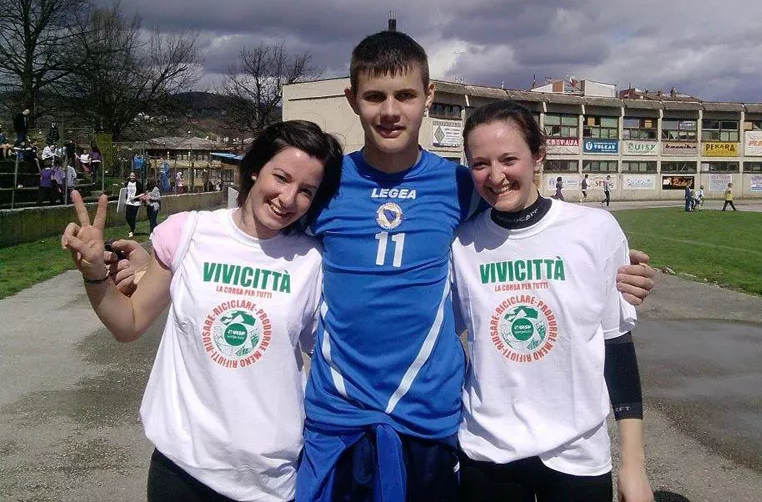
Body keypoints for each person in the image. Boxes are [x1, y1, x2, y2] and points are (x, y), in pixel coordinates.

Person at [104, 31, 656, 502]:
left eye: (405, 95)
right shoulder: (325, 185)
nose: (390, 111)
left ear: (428, 96)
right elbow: (255, 234)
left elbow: (520, 232)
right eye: (374, 96)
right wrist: (158, 260)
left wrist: (610, 269)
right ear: (352, 99)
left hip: (429, 415)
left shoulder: (460, 185)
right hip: (338, 415)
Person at [60, 120, 343, 502]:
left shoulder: (313, 261)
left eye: (306, 190)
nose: (288, 197)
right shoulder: (188, 233)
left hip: (270, 479)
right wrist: (95, 273)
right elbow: (129, 322)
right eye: (281, 177)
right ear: (255, 169)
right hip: (183, 470)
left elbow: (330, 361)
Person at [452, 101, 652, 502]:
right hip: (489, 452)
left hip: (577, 455)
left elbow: (616, 344)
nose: (496, 176)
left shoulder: (595, 230)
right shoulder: (461, 243)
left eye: (509, 159)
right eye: (480, 164)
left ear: (538, 155)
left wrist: (634, 465)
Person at [124, 172, 145, 237]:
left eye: (133, 176)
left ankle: (131, 231)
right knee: (127, 217)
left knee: (133, 217)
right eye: (131, 176)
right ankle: (133, 225)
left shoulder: (138, 184)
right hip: (128, 202)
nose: (132, 177)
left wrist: (134, 197)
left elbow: (142, 193)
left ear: (135, 177)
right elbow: (124, 191)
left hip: (135, 203)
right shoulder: (127, 183)